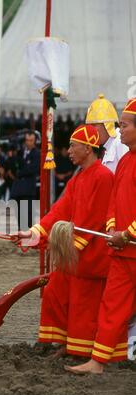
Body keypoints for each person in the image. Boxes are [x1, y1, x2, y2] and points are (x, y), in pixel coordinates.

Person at [11, 125, 114, 358]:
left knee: (81, 303)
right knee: (55, 292)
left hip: (90, 255)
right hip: (73, 252)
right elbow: (59, 212)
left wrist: (68, 247)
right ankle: (65, 343)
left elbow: (94, 220)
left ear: (87, 148)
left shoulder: (103, 176)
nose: (68, 151)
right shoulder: (78, 179)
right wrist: (34, 232)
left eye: (72, 145)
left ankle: (80, 349)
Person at [66, 99, 136, 374]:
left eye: (125, 125)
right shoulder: (124, 162)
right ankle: (98, 361)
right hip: (122, 250)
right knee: (112, 306)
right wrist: (111, 229)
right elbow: (114, 204)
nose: (120, 130)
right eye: (119, 125)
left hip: (129, 243)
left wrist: (128, 233)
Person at [86, 93, 128, 173]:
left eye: (94, 125)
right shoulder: (107, 146)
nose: (91, 130)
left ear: (107, 125)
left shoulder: (120, 141)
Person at [10, 131, 41, 229]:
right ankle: (20, 234)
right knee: (18, 215)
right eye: (27, 140)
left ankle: (28, 236)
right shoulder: (20, 152)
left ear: (35, 141)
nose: (29, 143)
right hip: (18, 189)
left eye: (31, 140)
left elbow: (32, 169)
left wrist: (20, 170)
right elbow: (13, 166)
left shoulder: (37, 153)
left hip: (28, 190)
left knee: (28, 216)